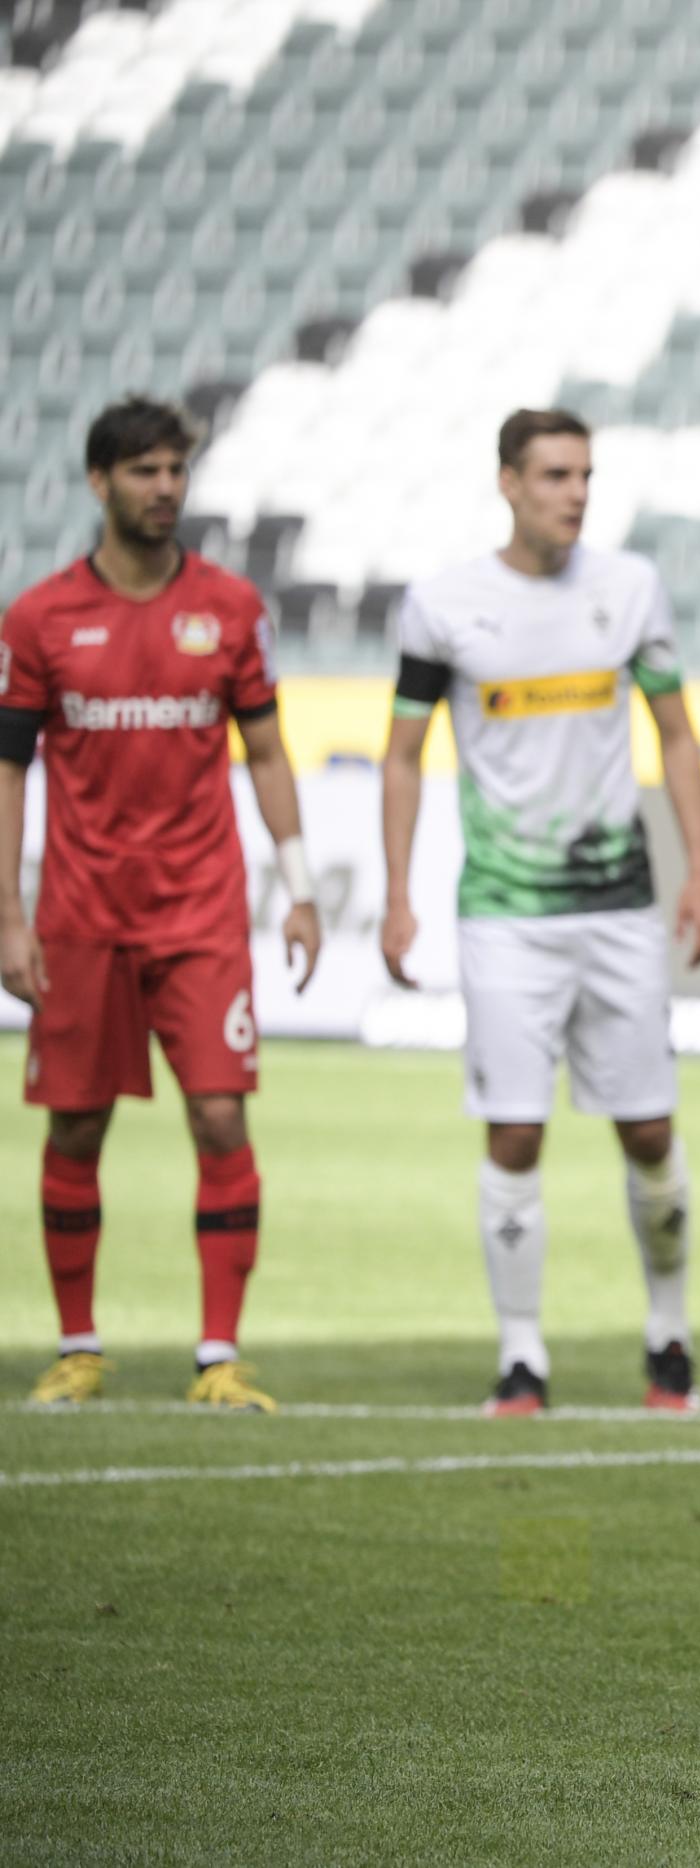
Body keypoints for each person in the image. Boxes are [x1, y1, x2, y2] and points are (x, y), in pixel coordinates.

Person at [381, 409, 700, 1417]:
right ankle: (520, 1357)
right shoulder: (442, 605)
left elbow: (676, 734)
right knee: (514, 1133)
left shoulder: (630, 588)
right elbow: (402, 752)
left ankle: (669, 1335)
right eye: (555, 474)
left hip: (619, 905)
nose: (575, 491)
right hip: (503, 912)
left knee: (649, 1128)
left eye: (585, 473)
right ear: (507, 482)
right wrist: (397, 893)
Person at [0, 395, 322, 1412]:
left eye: (176, 469)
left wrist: (301, 885)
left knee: (221, 1116)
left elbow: (265, 749)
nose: (164, 488)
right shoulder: (39, 618)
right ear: (100, 482)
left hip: (200, 911)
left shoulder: (229, 608)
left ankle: (217, 1355)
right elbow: (9, 769)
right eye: (143, 471)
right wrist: (10, 911)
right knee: (77, 1127)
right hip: (82, 914)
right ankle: (80, 1345)